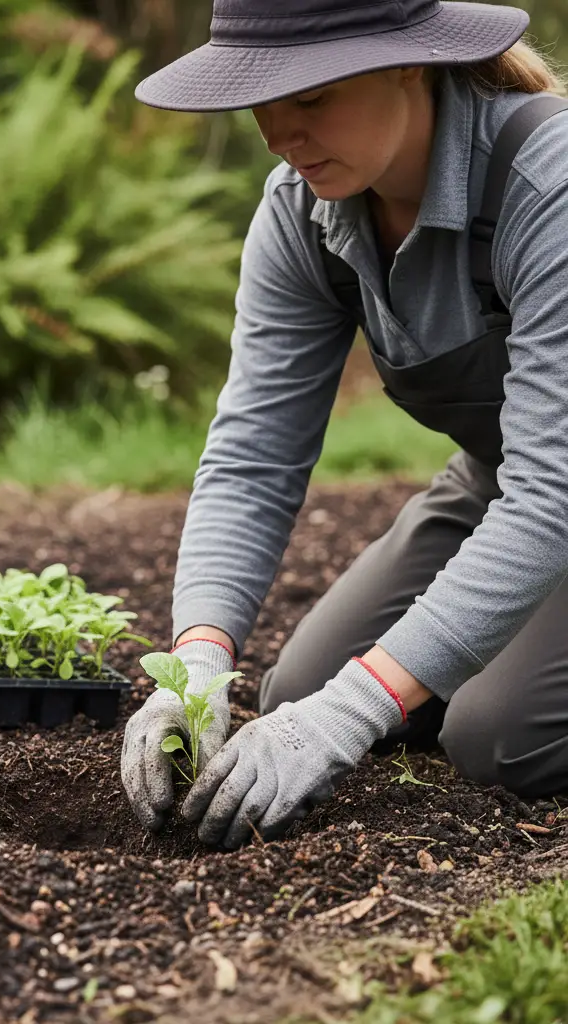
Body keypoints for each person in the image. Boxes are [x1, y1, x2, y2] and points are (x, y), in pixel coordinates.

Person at [120, 0, 568, 850]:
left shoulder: (548, 184)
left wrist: (357, 711)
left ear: (410, 63)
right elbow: (252, 454)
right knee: (299, 687)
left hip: (552, 488)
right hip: (503, 474)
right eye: (259, 98)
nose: (277, 132)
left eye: (311, 96)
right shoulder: (304, 212)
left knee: (502, 737)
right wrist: (198, 664)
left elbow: (553, 498)